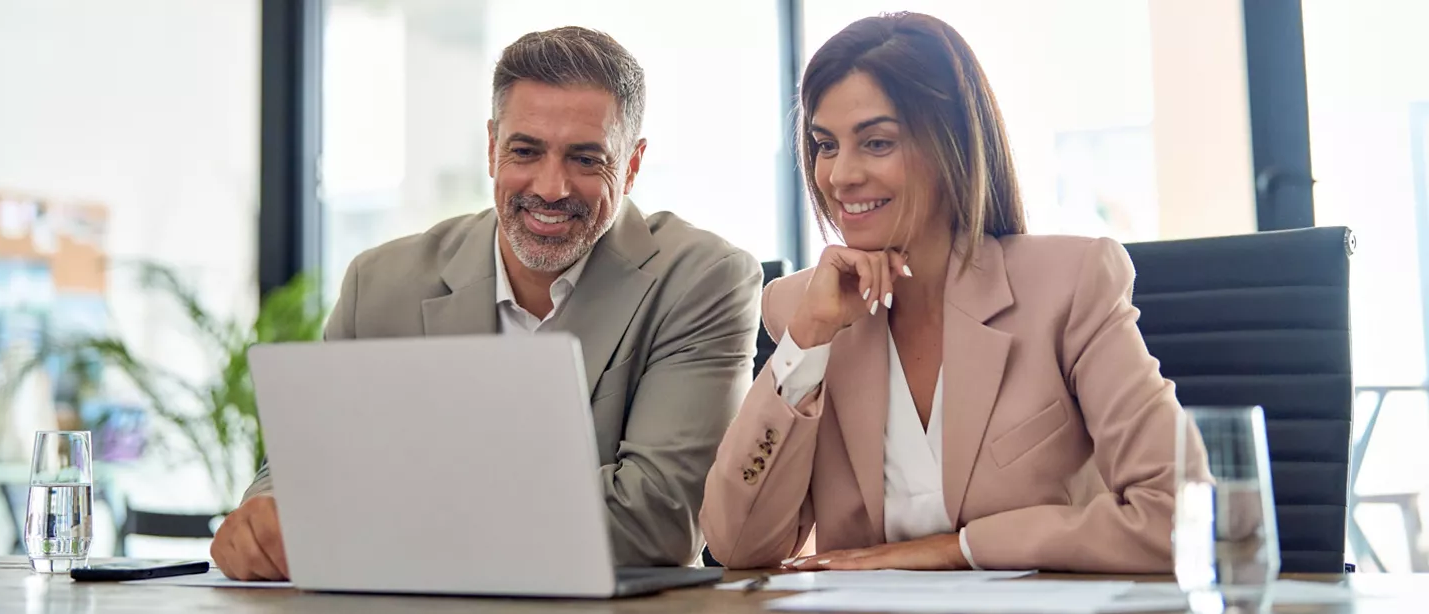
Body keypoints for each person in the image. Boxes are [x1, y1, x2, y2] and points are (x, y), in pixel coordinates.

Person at [212, 26, 763, 580]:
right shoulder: (380, 284)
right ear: (491, 148)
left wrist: (367, 519)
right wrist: (265, 518)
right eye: (525, 151)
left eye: (586, 159)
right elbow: (304, 471)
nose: (550, 187)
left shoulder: (702, 279)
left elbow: (656, 520)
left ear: (633, 164)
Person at [698, 12, 1184, 573]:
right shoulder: (802, 310)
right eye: (825, 145)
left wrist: (957, 549)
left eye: (876, 142)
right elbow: (738, 546)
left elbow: (1182, 517)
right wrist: (807, 339)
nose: (839, 175)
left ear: (951, 145)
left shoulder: (1070, 285)